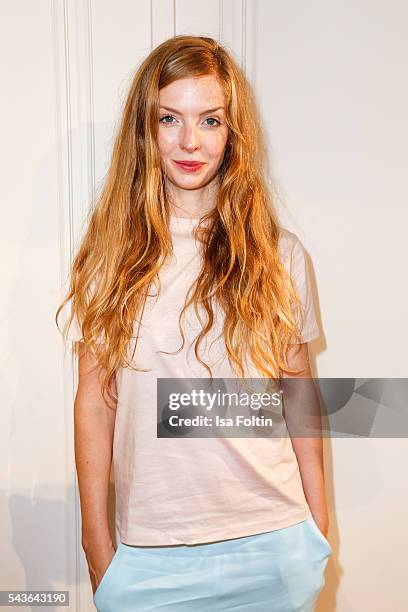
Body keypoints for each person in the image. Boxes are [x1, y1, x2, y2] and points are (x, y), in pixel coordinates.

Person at [56, 35, 332, 612]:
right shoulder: (112, 257)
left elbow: (298, 391)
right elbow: (95, 401)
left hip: (274, 546)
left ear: (233, 135)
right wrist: (96, 546)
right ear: (145, 130)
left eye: (210, 120)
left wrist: (317, 526)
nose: (189, 141)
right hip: (152, 557)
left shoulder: (279, 255)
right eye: (169, 119)